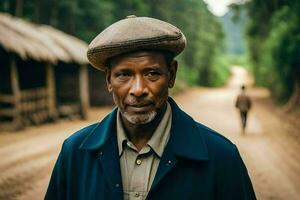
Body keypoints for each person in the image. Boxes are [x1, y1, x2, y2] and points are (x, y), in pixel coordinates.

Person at [45, 16, 256, 200]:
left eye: (152, 73)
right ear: (109, 79)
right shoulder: (74, 153)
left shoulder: (221, 157)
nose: (138, 90)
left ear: (171, 74)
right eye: (124, 74)